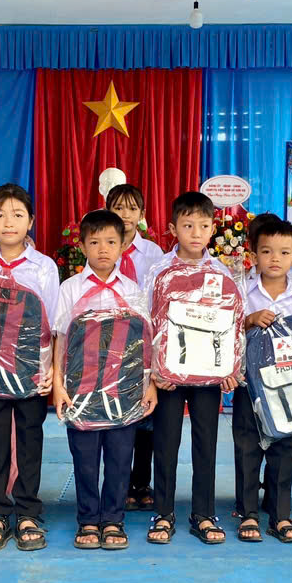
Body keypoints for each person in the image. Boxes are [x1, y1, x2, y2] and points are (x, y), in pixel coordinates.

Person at [52, 209, 158, 550]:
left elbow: (144, 342)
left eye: (111, 242)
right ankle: (87, 520)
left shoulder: (132, 290)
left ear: (123, 246)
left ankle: (113, 520)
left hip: (123, 389)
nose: (103, 249)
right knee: (84, 459)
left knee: (119, 458)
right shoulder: (70, 288)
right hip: (80, 388)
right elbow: (60, 340)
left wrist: (150, 384)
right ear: (82, 246)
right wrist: (58, 386)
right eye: (94, 242)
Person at [0, 184, 60, 552]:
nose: (9, 222)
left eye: (18, 215)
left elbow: (52, 324)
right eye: (0, 215)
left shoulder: (44, 266)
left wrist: (49, 371)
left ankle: (28, 510)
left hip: (30, 368)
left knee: (30, 438)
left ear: (30, 221)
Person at [144, 191, 240, 545]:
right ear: (173, 229)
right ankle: (163, 513)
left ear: (213, 228)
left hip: (209, 375)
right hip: (169, 375)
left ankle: (204, 513)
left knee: (206, 444)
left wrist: (231, 367)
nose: (196, 233)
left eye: (203, 225)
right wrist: (153, 371)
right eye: (187, 225)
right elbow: (148, 322)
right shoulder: (159, 271)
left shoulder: (221, 272)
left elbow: (233, 324)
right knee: (165, 443)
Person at [233, 218, 292, 543]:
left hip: (290, 387)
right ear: (254, 255)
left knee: (286, 447)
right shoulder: (241, 290)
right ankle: (248, 513)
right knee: (247, 448)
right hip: (250, 385)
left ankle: (280, 514)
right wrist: (248, 321)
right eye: (267, 251)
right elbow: (226, 328)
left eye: (283, 252)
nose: (275, 258)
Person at [106, 182, 164, 512]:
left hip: (144, 340)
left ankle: (141, 482)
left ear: (142, 214)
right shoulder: (102, 246)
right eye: (118, 207)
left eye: (132, 208)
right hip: (110, 340)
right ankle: (120, 481)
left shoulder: (153, 254)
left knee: (146, 413)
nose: (125, 214)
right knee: (114, 413)